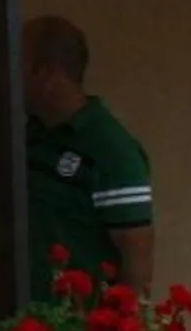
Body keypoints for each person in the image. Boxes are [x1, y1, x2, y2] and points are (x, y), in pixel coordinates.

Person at [23, 15, 152, 295]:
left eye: (17, 66)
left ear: (47, 74)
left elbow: (136, 252)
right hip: (21, 329)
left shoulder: (110, 149)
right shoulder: (28, 137)